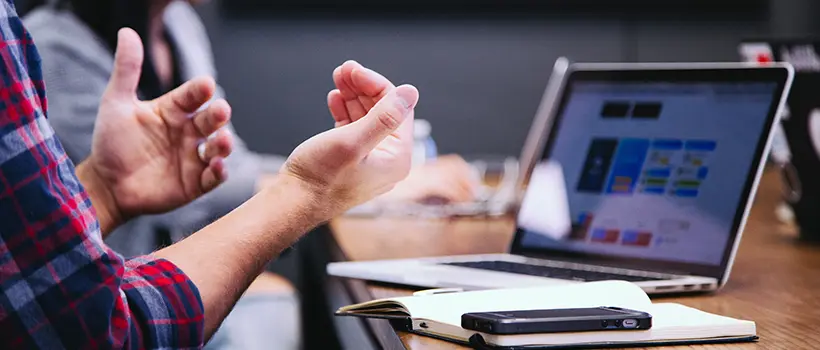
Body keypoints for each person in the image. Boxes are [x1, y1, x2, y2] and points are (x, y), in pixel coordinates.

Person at [0, 0, 421, 347]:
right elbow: (96, 330)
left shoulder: (179, 23)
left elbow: (225, 165)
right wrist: (313, 187)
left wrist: (106, 192)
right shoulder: (52, 44)